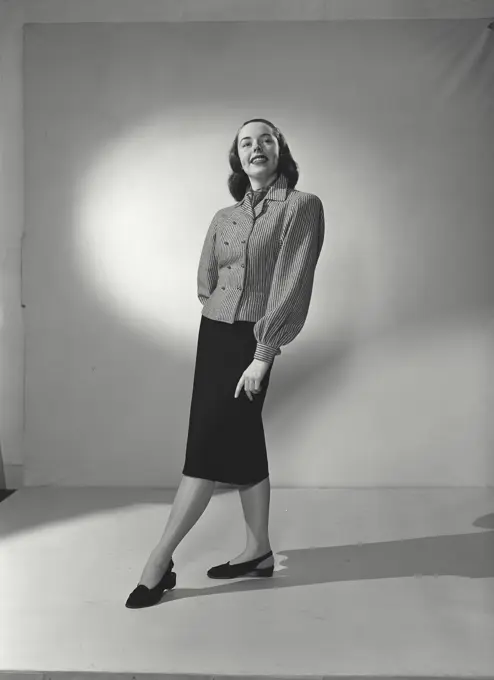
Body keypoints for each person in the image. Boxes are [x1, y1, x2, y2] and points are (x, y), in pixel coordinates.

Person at [125, 118, 325, 608]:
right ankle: (258, 551)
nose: (256, 147)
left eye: (266, 139)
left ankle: (158, 561)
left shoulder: (302, 207)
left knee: (207, 449)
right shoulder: (223, 217)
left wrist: (262, 352)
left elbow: (292, 285)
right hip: (215, 334)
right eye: (246, 142)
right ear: (238, 158)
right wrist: (221, 314)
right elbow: (205, 279)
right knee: (239, 438)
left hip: (253, 340)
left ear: (281, 149)